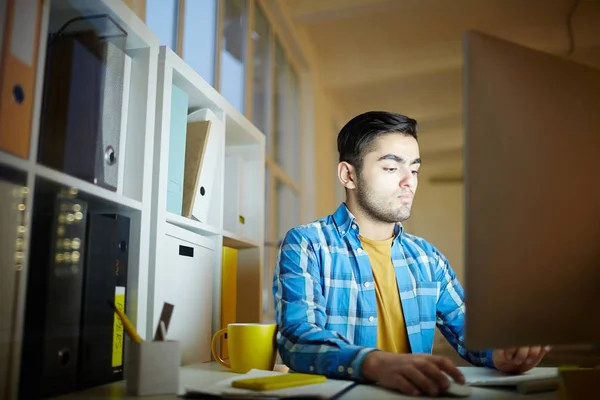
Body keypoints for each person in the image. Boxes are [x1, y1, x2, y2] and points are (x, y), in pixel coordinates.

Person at [272, 111, 551, 397]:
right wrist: (373, 362)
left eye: (414, 169)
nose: (409, 182)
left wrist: (500, 352)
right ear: (348, 175)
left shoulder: (428, 259)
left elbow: (470, 331)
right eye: (392, 168)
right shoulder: (307, 243)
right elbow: (297, 339)